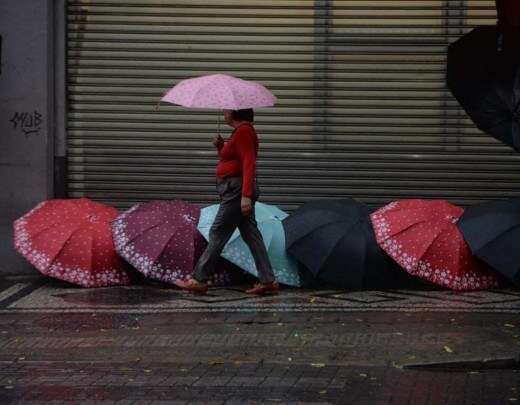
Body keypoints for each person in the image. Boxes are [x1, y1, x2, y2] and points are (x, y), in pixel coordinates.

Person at [178, 108, 279, 295]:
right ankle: (268, 280)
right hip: (236, 189)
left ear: (235, 113)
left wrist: (246, 196)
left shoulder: (244, 132)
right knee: (251, 235)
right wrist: (220, 145)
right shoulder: (239, 132)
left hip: (237, 190)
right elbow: (231, 158)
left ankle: (199, 279)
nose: (224, 113)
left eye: (227, 110)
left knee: (218, 231)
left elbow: (249, 162)